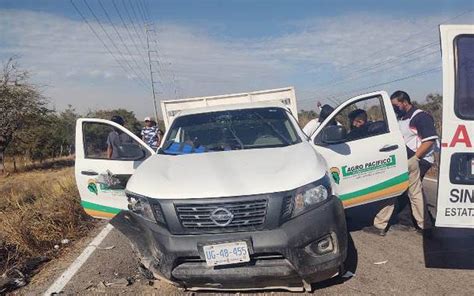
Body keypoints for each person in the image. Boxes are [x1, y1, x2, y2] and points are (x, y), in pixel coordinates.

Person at [363, 91, 438, 237]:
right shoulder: (402, 117)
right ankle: (415, 224)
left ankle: (382, 225)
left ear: (404, 102)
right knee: (408, 192)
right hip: (405, 159)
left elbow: (429, 140)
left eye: (396, 105)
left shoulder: (420, 117)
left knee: (394, 190)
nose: (394, 108)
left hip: (418, 159)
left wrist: (415, 158)